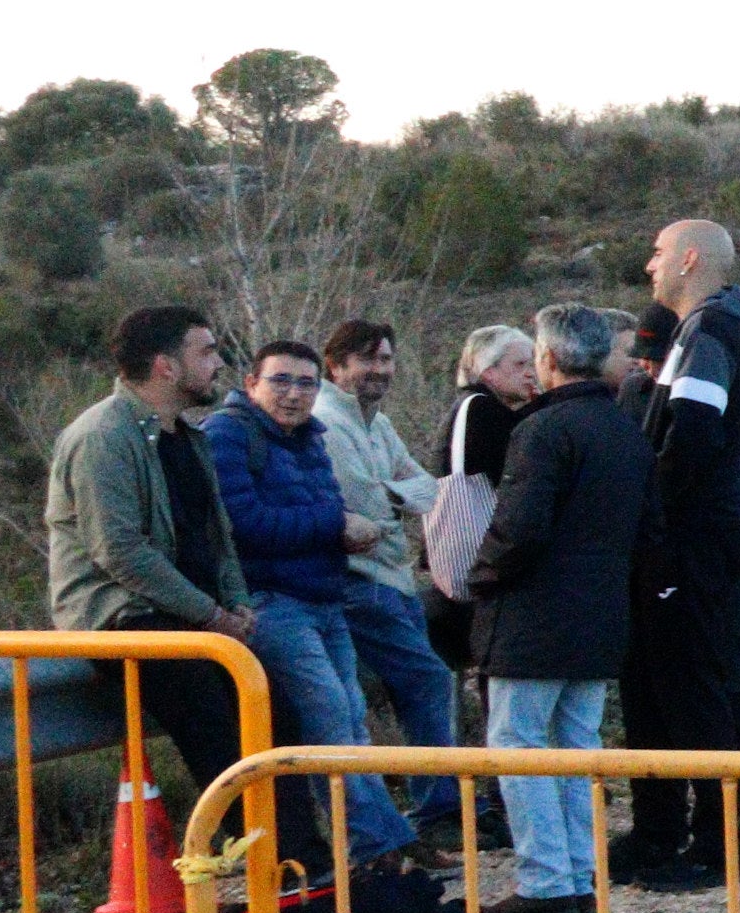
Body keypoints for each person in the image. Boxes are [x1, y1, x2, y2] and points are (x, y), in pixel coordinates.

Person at [47, 305, 342, 882]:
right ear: (164, 366)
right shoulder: (102, 437)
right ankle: (269, 875)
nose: (218, 364)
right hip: (129, 621)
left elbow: (217, 535)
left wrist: (236, 605)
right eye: (205, 352)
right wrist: (210, 614)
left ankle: (306, 870)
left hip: (200, 622)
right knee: (219, 732)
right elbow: (120, 553)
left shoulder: (187, 437)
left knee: (277, 718)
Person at [201, 337, 421, 868]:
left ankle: (383, 841)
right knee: (327, 716)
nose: (293, 393)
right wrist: (335, 527)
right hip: (272, 601)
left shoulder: (310, 439)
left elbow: (325, 504)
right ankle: (376, 848)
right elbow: (241, 524)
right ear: (252, 384)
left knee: (351, 717)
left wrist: (344, 531)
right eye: (280, 380)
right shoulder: (227, 435)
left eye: (305, 383)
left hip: (324, 597)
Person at [465, 304, 652, 913]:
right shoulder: (626, 428)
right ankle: (579, 874)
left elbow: (520, 527)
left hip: (535, 618)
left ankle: (547, 882)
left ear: (546, 359)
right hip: (602, 612)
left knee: (519, 742)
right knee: (577, 743)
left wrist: (482, 574)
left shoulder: (543, 431)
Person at [621, 219, 740, 887]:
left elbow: (691, 440)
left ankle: (715, 844)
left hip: (688, 547)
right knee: (656, 691)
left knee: (691, 692)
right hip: (691, 545)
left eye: (658, 252)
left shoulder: (712, 335)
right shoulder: (710, 335)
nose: (649, 265)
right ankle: (658, 830)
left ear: (690, 260)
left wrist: (655, 521)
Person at [313, 319, 462, 833]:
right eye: (367, 359)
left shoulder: (378, 423)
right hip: (359, 580)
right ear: (336, 366)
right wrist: (394, 499)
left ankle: (439, 802)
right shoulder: (328, 422)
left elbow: (430, 487)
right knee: (425, 679)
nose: (380, 370)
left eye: (387, 359)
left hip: (390, 576)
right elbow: (362, 504)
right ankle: (440, 806)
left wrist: (390, 499)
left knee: (421, 682)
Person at [430, 323, 537, 689]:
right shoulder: (484, 411)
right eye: (521, 363)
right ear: (488, 370)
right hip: (481, 563)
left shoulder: (470, 408)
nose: (531, 372)